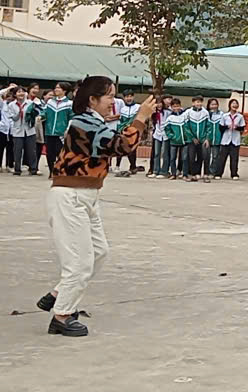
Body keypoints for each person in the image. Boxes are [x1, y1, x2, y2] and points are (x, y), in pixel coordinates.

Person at [35, 76, 155, 336]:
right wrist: (141, 117)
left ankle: (58, 294)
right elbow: (120, 146)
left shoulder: (94, 121)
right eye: (109, 96)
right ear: (92, 99)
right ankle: (62, 316)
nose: (114, 101)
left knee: (99, 252)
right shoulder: (83, 122)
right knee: (79, 262)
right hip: (70, 196)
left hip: (87, 195)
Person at [7, 83, 39, 175]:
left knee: (31, 151)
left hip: (29, 130)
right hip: (17, 131)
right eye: (18, 92)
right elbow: (13, 118)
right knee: (17, 151)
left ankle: (33, 169)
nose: (21, 93)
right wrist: (19, 111)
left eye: (22, 92)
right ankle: (17, 169)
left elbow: (36, 113)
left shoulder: (30, 103)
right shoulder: (11, 105)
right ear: (15, 94)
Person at [42, 84, 74, 177]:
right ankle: (51, 171)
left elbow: (71, 117)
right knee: (49, 153)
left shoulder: (69, 103)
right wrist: (41, 116)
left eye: (58, 88)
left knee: (60, 153)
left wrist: (67, 129)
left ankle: (60, 170)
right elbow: (45, 112)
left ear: (64, 90)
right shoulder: (50, 102)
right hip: (49, 131)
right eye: (55, 87)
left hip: (61, 132)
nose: (56, 89)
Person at [182, 97, 211, 182]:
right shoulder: (188, 113)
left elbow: (208, 127)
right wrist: (192, 137)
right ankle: (193, 174)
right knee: (191, 157)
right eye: (197, 102)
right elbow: (186, 127)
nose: (199, 104)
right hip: (192, 140)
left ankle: (205, 175)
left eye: (200, 102)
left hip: (203, 139)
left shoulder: (205, 113)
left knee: (204, 156)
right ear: (193, 103)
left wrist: (207, 138)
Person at [215, 99, 245, 180]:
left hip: (235, 140)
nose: (234, 105)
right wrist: (227, 127)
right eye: (233, 103)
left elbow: (242, 128)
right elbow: (221, 127)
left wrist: (237, 127)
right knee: (222, 158)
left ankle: (234, 174)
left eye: (236, 103)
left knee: (234, 158)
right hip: (225, 140)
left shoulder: (240, 116)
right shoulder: (225, 116)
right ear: (230, 105)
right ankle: (218, 173)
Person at [113, 90, 141, 174]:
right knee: (121, 147)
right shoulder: (122, 109)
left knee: (132, 150)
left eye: (130, 96)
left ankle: (133, 166)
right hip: (124, 131)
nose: (128, 98)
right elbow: (120, 121)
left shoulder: (138, 107)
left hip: (134, 132)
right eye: (126, 96)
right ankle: (117, 166)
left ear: (133, 97)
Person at [147, 95, 172, 179]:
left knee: (165, 153)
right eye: (157, 103)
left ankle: (164, 171)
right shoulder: (154, 113)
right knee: (156, 153)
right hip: (157, 134)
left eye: (160, 103)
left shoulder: (168, 112)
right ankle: (155, 170)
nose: (159, 105)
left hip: (166, 135)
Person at [201, 99, 222, 181]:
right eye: (212, 104)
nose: (214, 106)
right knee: (205, 156)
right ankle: (205, 172)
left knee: (215, 156)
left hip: (217, 138)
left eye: (215, 104)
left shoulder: (221, 114)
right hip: (207, 139)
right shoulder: (206, 114)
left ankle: (212, 172)